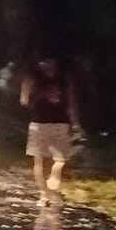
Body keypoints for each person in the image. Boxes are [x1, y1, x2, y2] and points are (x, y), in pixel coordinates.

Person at [20, 51, 82, 204]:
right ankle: (44, 194)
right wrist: (41, 93)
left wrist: (75, 123)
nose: (47, 65)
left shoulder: (64, 77)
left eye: (50, 61)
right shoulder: (33, 77)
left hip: (61, 122)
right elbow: (24, 100)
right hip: (39, 123)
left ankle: (53, 182)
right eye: (44, 62)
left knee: (61, 158)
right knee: (39, 161)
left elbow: (72, 101)